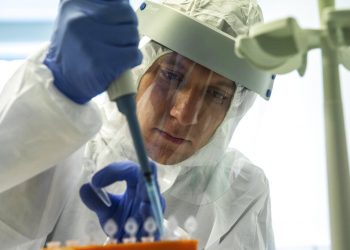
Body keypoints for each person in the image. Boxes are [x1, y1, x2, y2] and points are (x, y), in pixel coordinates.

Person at [0, 0, 275, 249]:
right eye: (172, 76)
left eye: (216, 94)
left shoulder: (241, 192)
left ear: (236, 106)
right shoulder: (64, 141)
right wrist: (41, 107)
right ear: (138, 70)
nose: (184, 115)